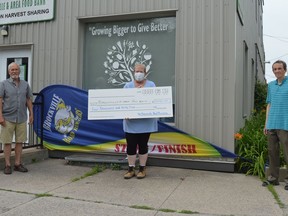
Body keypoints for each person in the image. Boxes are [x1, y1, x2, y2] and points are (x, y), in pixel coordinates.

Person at [123, 63, 158, 179]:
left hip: (146, 122)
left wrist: (144, 93)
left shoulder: (151, 85)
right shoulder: (127, 86)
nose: (138, 74)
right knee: (131, 145)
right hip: (131, 123)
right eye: (136, 71)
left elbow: (155, 101)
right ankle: (131, 168)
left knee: (143, 145)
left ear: (145, 73)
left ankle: (142, 168)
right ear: (133, 72)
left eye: (141, 71)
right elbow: (122, 102)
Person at [0, 62, 33, 175]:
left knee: (20, 141)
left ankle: (18, 164)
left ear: (19, 71)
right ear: (9, 72)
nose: (14, 71)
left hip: (22, 117)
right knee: (7, 142)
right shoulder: (3, 84)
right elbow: (0, 100)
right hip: (7, 117)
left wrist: (31, 114)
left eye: (16, 69)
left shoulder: (25, 84)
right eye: (12, 70)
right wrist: (0, 116)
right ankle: (8, 165)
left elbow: (28, 99)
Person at [262, 60, 288, 190]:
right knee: (272, 152)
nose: (277, 71)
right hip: (272, 124)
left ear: (285, 69)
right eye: (275, 69)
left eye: (279, 68)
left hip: (285, 124)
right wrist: (266, 124)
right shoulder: (271, 85)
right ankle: (273, 178)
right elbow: (269, 105)